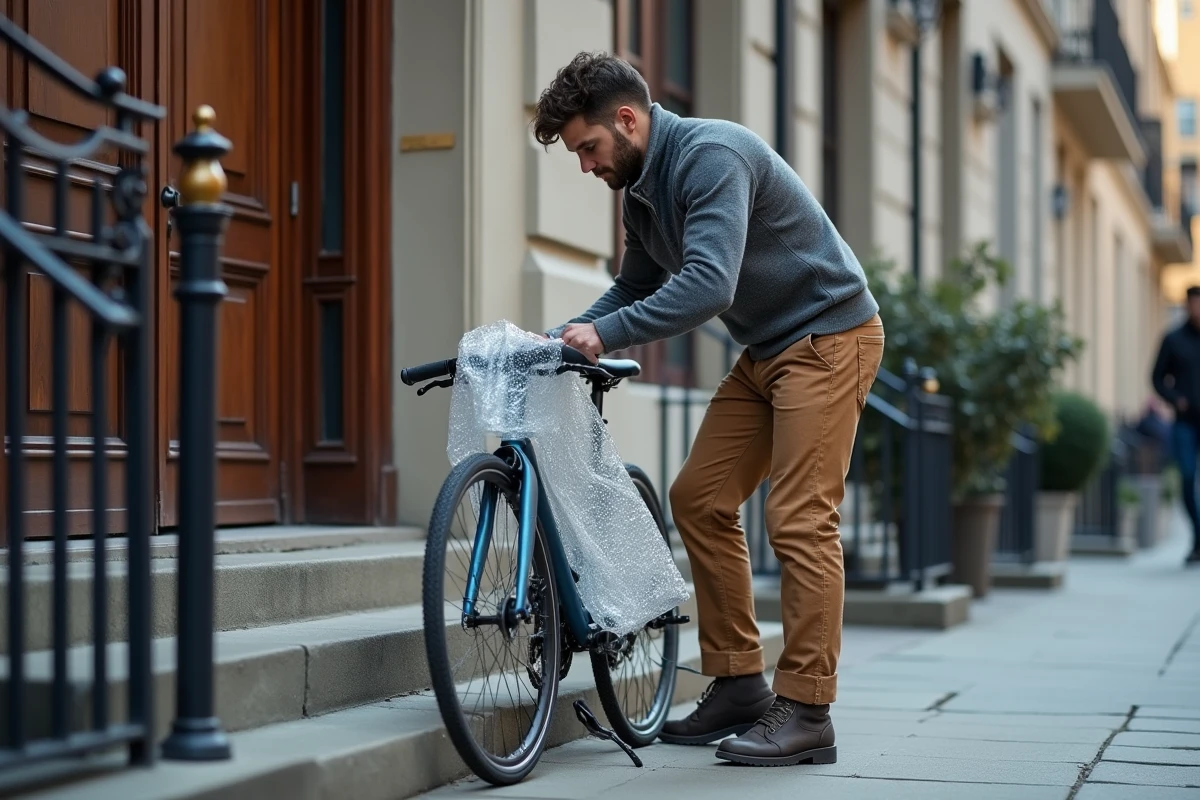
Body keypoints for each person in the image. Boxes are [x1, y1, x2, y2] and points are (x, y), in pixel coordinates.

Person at [533, 51, 885, 766]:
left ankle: (810, 708)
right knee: (698, 498)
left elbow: (708, 285)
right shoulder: (643, 189)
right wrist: (564, 336)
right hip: (769, 350)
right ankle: (738, 683)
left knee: (800, 518)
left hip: (830, 336)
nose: (586, 166)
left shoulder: (711, 156)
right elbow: (631, 289)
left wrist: (605, 335)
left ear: (627, 119)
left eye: (589, 148)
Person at [1151, 285, 1200, 566]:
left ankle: (1198, 543)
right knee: (1187, 477)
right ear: (1186, 306)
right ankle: (1198, 535)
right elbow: (1157, 379)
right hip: (1185, 422)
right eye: (1194, 304)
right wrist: (1175, 399)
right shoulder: (1173, 340)